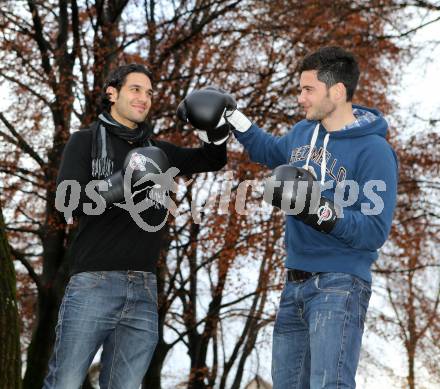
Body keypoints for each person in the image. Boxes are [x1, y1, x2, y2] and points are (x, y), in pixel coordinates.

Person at [184, 47, 398, 388]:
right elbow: (269, 150)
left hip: (340, 284)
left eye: (307, 89)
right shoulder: (302, 133)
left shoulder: (375, 152)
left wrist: (319, 210)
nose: (300, 98)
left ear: (337, 91)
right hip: (293, 285)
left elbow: (374, 231)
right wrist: (234, 117)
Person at [44, 64, 231, 389]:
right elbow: (66, 205)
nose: (144, 98)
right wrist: (121, 184)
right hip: (93, 282)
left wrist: (213, 127)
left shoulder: (158, 153)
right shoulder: (84, 142)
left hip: (144, 288)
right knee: (65, 383)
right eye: (135, 89)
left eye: (148, 92)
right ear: (112, 93)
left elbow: (211, 160)